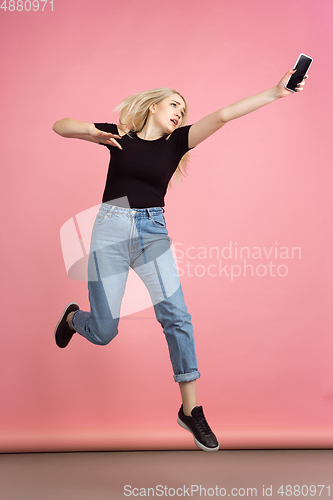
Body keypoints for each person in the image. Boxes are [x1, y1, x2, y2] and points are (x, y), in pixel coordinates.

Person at [53, 69, 307, 452]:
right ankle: (74, 318)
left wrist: (276, 91)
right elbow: (61, 126)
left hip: (152, 231)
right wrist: (93, 132)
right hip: (110, 227)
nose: (179, 112)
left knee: (176, 315)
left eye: (183, 109)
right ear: (153, 106)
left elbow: (223, 115)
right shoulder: (120, 135)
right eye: (174, 105)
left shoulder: (178, 143)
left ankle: (191, 410)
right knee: (104, 333)